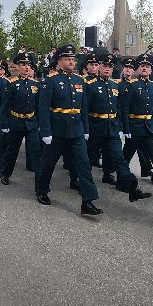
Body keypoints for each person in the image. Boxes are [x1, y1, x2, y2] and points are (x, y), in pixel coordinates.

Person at [35, 43, 102, 215]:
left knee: (84, 164)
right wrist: (45, 132)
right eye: (67, 59)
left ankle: (88, 201)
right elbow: (43, 108)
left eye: (73, 59)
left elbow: (84, 107)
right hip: (56, 131)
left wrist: (86, 129)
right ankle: (42, 190)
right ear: (59, 61)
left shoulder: (80, 81)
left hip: (76, 130)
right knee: (48, 163)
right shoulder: (50, 81)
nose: (71, 62)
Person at [86, 53, 151, 201]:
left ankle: (131, 188)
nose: (107, 68)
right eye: (104, 66)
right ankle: (80, 183)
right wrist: (85, 129)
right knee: (89, 159)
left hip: (112, 129)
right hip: (95, 128)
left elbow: (120, 108)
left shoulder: (114, 85)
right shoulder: (89, 85)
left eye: (110, 66)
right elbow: (85, 109)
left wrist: (121, 127)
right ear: (99, 67)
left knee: (119, 159)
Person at [121, 57, 153, 189]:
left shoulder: (152, 85)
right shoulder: (131, 85)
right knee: (126, 156)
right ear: (138, 69)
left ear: (151, 70)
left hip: (149, 128)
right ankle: (122, 182)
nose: (145, 68)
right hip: (134, 127)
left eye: (148, 66)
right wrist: (126, 128)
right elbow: (125, 108)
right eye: (142, 66)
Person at [0, 55, 41, 183]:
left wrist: (39, 123)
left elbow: (38, 106)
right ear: (17, 67)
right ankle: (5, 173)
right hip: (16, 122)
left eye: (28, 65)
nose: (26, 67)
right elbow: (5, 106)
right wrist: (4, 124)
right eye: (23, 65)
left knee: (36, 152)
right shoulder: (11, 83)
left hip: (31, 122)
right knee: (12, 151)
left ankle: (40, 182)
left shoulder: (36, 84)